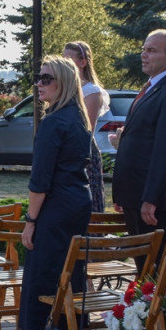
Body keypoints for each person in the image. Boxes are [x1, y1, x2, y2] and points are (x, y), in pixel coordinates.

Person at [19, 55, 93, 330]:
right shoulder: (78, 118)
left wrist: (30, 220)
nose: (39, 84)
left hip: (57, 204)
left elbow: (40, 182)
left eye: (46, 79)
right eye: (38, 77)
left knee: (44, 273)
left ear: (63, 82)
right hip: (77, 201)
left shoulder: (54, 122)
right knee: (70, 270)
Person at [112, 29, 166, 238]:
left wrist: (152, 199)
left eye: (151, 50)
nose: (144, 55)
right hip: (135, 196)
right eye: (143, 49)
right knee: (143, 267)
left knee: (154, 268)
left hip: (152, 204)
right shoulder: (152, 87)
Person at [63, 41, 109, 212]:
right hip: (65, 150)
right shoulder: (63, 89)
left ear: (82, 62)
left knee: (88, 204)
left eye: (69, 59)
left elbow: (86, 128)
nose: (64, 63)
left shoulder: (91, 91)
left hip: (83, 151)